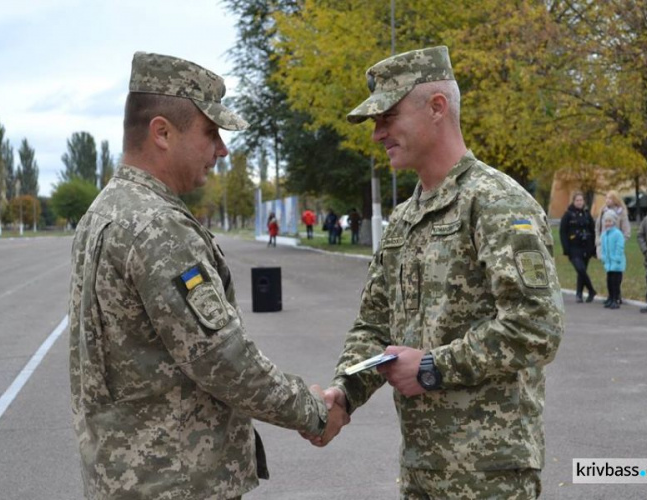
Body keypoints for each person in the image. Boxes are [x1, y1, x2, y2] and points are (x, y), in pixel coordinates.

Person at [68, 51, 348, 500]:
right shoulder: (156, 225)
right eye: (210, 132)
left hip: (128, 475)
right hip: (176, 480)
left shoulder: (105, 211)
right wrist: (313, 411)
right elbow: (223, 359)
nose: (221, 149)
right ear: (162, 132)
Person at [305, 46, 564, 499]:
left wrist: (431, 368)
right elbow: (374, 324)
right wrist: (344, 393)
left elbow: (537, 327)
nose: (377, 134)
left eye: (387, 117)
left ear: (437, 107)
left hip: (489, 472)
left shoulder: (495, 202)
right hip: (422, 468)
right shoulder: (405, 219)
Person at [560, 192, 597, 303]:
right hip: (574, 248)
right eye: (577, 200)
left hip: (587, 247)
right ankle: (591, 290)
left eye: (581, 200)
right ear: (573, 201)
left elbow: (593, 230)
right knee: (580, 269)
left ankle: (579, 294)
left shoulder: (586, 214)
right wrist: (566, 249)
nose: (579, 202)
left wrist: (594, 248)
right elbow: (562, 232)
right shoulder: (568, 215)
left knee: (582, 271)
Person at [600, 211, 626, 309]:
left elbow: (620, 247)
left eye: (610, 221)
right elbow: (603, 248)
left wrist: (616, 258)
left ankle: (616, 299)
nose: (608, 223)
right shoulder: (604, 235)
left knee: (616, 283)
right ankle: (610, 297)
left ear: (614, 222)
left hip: (617, 264)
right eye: (606, 221)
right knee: (609, 281)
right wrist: (604, 258)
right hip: (608, 264)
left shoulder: (617, 234)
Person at [595, 190, 631, 258]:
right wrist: (598, 241)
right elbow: (597, 228)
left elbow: (626, 232)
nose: (607, 200)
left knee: (614, 267)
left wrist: (619, 243)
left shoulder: (621, 213)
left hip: (615, 246)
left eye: (610, 198)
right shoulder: (603, 211)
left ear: (615, 199)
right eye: (606, 198)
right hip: (603, 246)